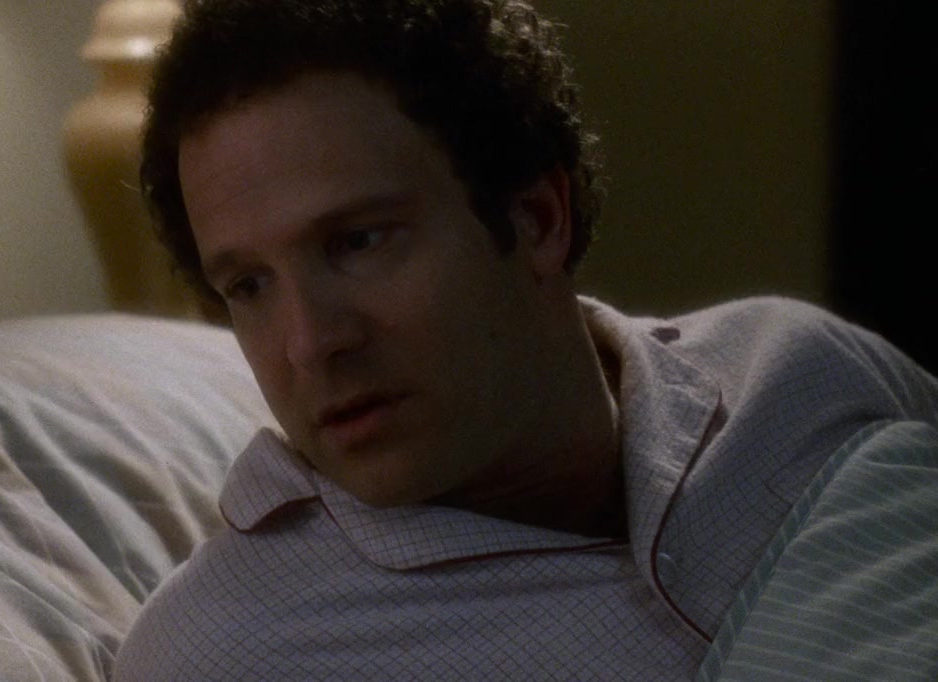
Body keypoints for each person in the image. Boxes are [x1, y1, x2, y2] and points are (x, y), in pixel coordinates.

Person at [113, 0, 938, 678]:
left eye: (358, 242)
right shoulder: (224, 651)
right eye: (249, 286)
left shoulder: (805, 373)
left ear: (538, 218)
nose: (308, 344)